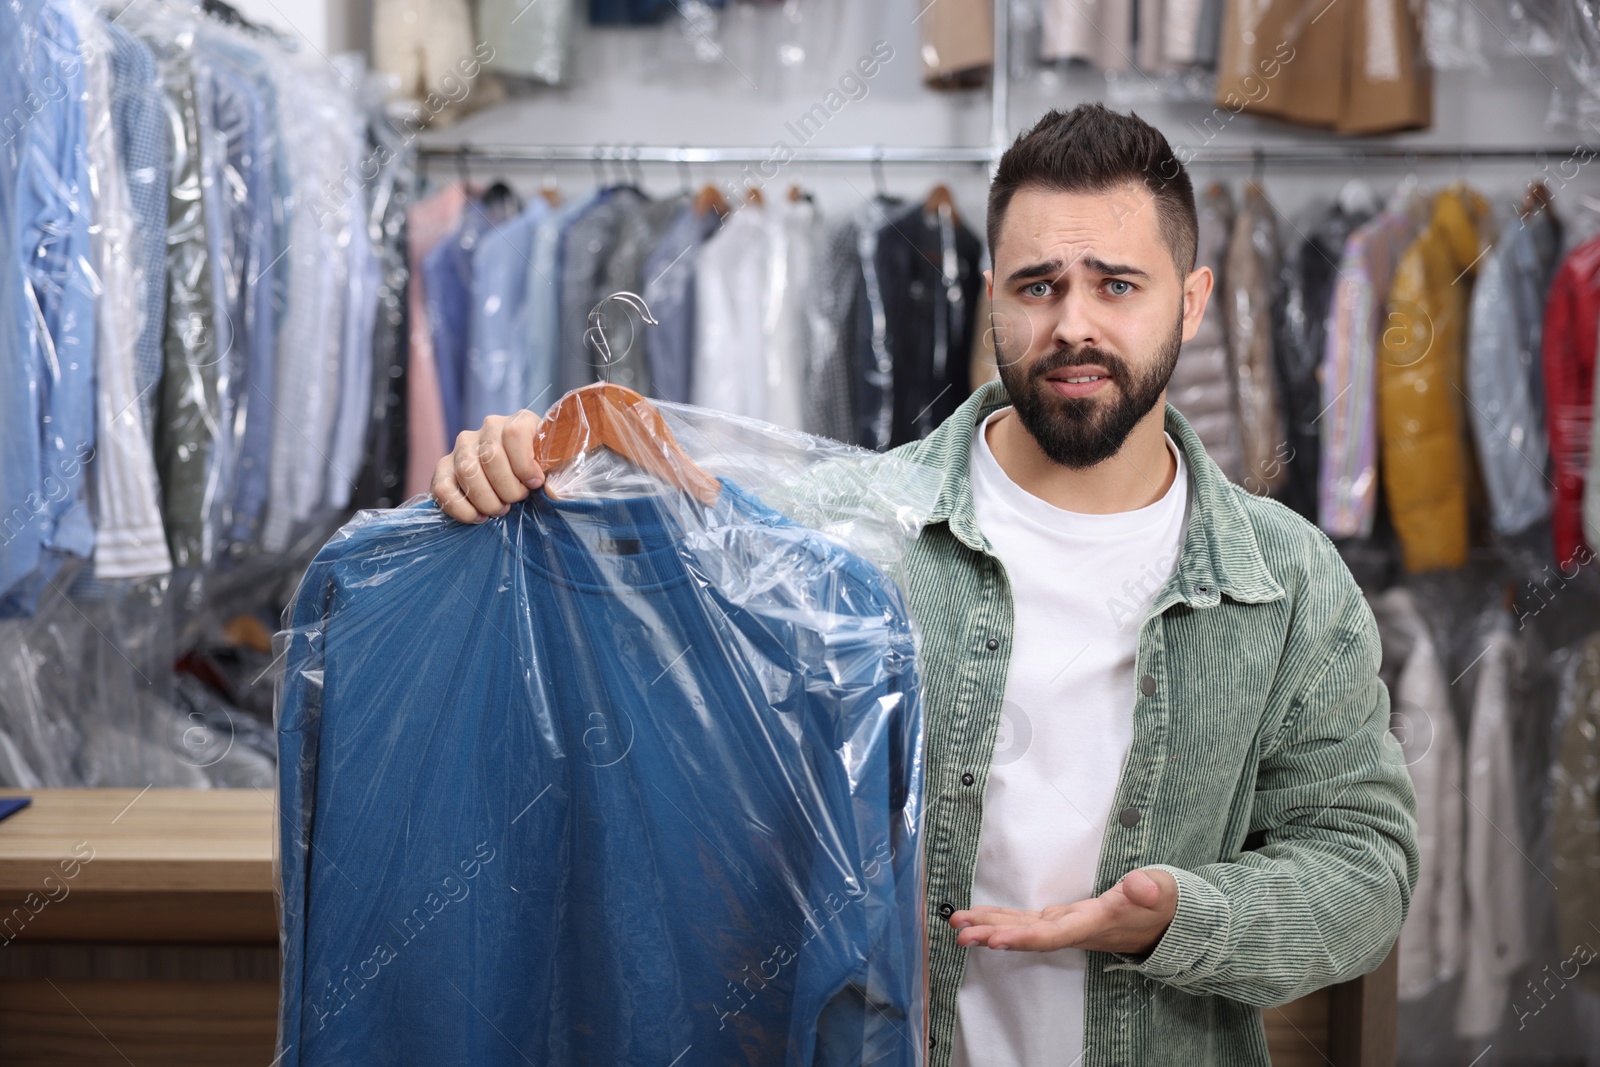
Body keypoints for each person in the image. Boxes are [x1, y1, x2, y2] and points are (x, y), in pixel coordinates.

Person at [431, 104, 1420, 1067]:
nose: (1073, 323)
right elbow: (618, 673)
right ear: (991, 296)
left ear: (1192, 300)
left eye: (1117, 285)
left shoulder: (1285, 582)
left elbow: (1363, 862)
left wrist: (1181, 916)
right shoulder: (838, 532)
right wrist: (514, 472)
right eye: (1038, 286)